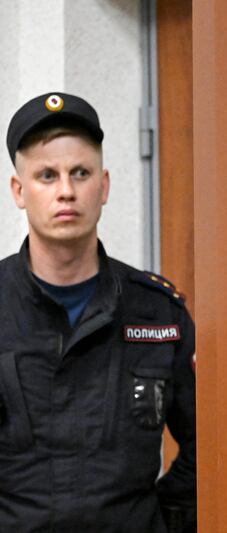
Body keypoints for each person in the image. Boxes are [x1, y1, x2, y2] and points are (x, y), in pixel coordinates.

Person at [0, 92, 196, 532]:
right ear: (19, 191)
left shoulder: (157, 313)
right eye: (47, 175)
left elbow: (208, 446)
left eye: (80, 173)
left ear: (103, 186)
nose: (66, 191)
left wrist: (159, 521)